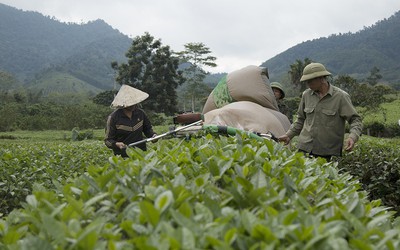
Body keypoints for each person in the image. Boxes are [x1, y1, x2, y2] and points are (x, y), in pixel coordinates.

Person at [278, 62, 363, 161]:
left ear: (322, 78)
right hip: (304, 147)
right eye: (306, 81)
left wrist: (352, 137)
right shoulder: (306, 95)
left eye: (310, 81)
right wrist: (289, 135)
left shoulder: (340, 97)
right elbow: (300, 119)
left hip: (327, 151)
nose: (308, 84)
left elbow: (355, 120)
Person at [105, 84, 157, 157]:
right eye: (130, 104)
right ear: (123, 103)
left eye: (134, 103)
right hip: (123, 156)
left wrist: (153, 136)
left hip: (140, 153)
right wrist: (117, 144)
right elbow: (108, 141)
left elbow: (147, 129)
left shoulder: (140, 113)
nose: (133, 105)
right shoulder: (113, 117)